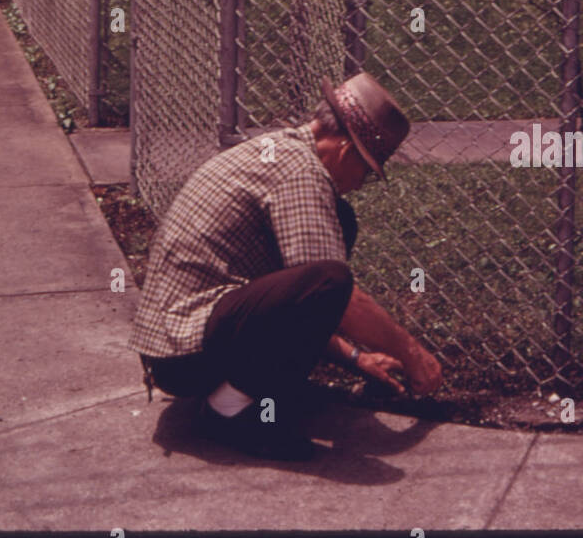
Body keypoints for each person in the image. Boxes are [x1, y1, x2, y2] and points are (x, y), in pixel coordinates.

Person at [129, 72, 443, 461]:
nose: (361, 184)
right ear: (346, 153)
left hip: (179, 342)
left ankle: (242, 391)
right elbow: (332, 296)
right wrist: (414, 356)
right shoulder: (300, 173)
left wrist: (354, 358)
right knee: (330, 279)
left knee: (337, 227)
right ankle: (227, 411)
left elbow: (286, 299)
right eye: (366, 171)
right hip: (185, 354)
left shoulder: (286, 150)